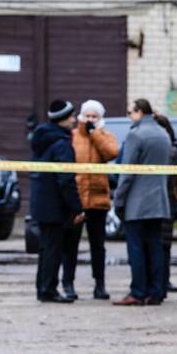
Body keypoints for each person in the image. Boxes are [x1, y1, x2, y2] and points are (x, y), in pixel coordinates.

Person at [112, 99, 171, 306]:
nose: (129, 117)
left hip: (137, 202)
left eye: (130, 113)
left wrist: (118, 199)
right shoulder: (163, 134)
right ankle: (156, 291)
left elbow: (127, 172)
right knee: (155, 247)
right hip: (158, 201)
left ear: (139, 112)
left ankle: (137, 291)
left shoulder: (136, 135)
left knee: (136, 248)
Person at [30, 100, 84, 303]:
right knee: (53, 248)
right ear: (62, 118)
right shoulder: (61, 143)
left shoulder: (42, 138)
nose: (73, 120)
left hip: (42, 202)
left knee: (46, 248)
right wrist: (76, 207)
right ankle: (48, 290)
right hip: (55, 205)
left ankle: (43, 288)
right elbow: (66, 179)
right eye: (70, 116)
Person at [63, 99, 118, 300]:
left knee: (98, 245)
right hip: (76, 199)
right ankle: (68, 283)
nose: (90, 119)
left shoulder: (105, 136)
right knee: (71, 244)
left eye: (94, 116)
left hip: (97, 198)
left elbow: (112, 152)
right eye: (88, 115)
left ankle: (99, 284)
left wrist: (95, 134)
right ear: (81, 116)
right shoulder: (72, 136)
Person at [153, 113, 177, 299]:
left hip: (163, 201)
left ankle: (161, 283)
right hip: (167, 201)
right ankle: (162, 282)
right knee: (164, 244)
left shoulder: (168, 151)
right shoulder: (173, 149)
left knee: (161, 244)